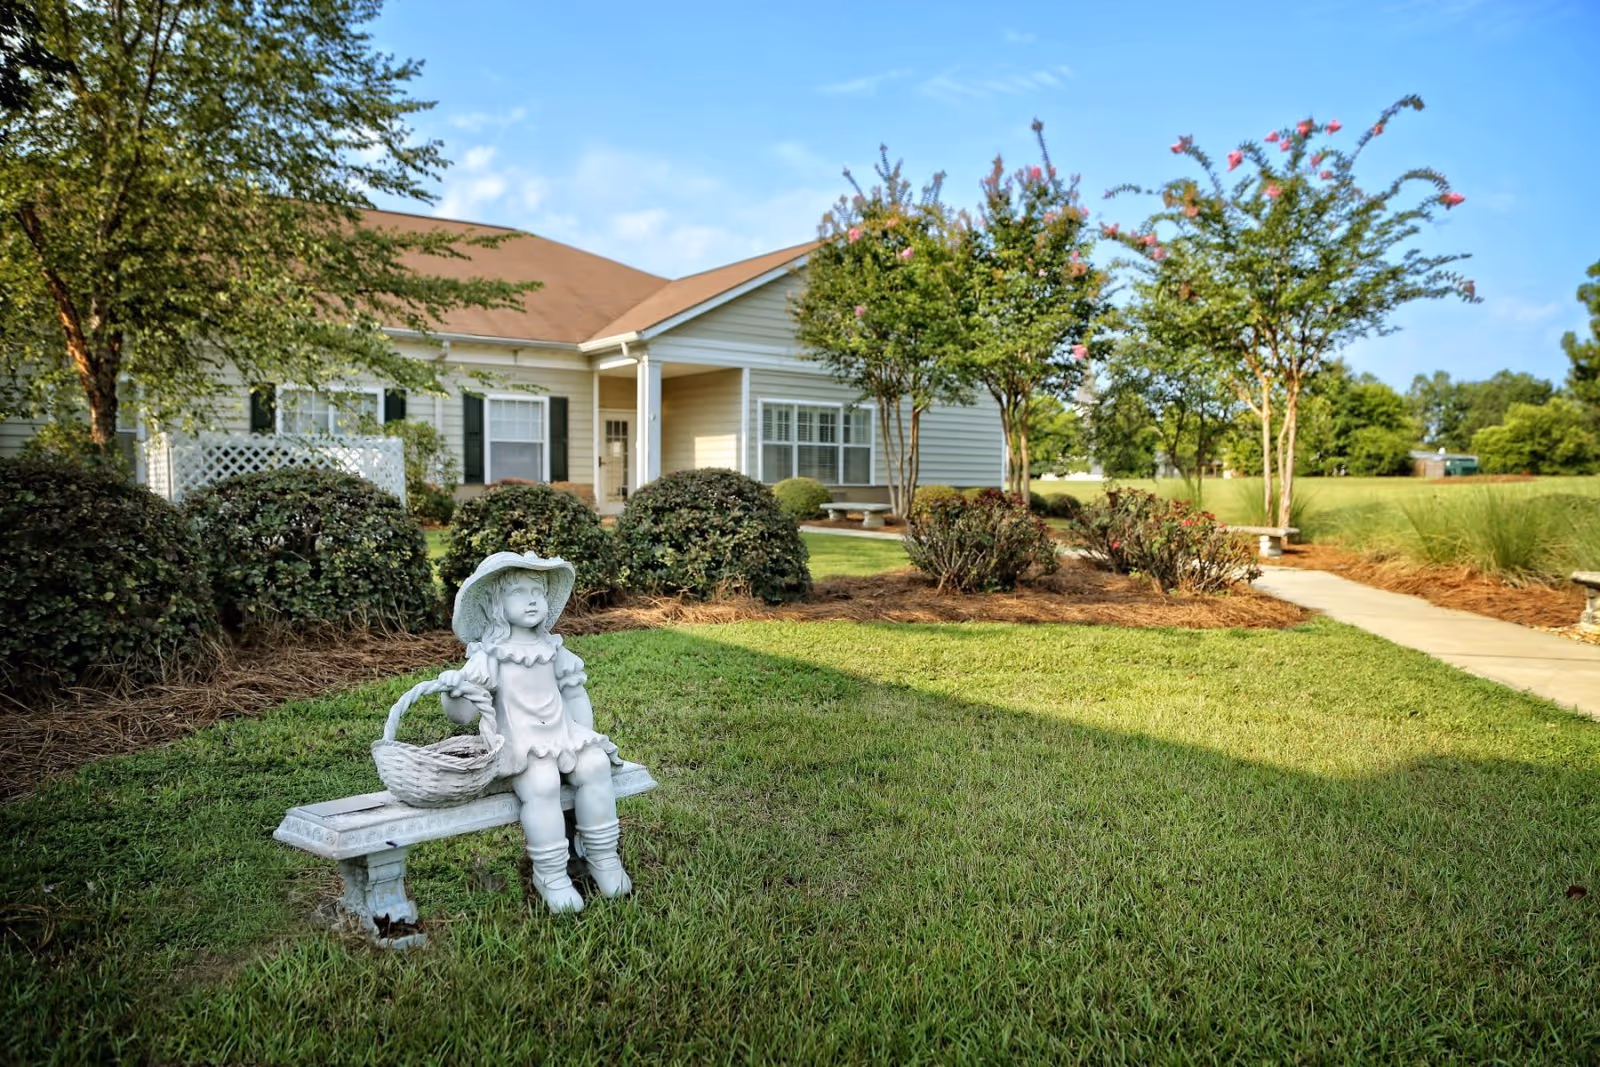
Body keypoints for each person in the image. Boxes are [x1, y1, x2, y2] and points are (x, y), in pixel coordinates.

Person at [438, 552, 630, 913]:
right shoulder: (490, 654)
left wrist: (584, 736)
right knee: (542, 782)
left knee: (594, 764)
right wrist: (454, 691)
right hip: (519, 743)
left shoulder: (552, 648)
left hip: (562, 734)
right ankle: (551, 872)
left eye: (538, 592)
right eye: (519, 593)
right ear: (496, 604)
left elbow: (574, 694)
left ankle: (603, 855)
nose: (532, 601)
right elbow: (463, 715)